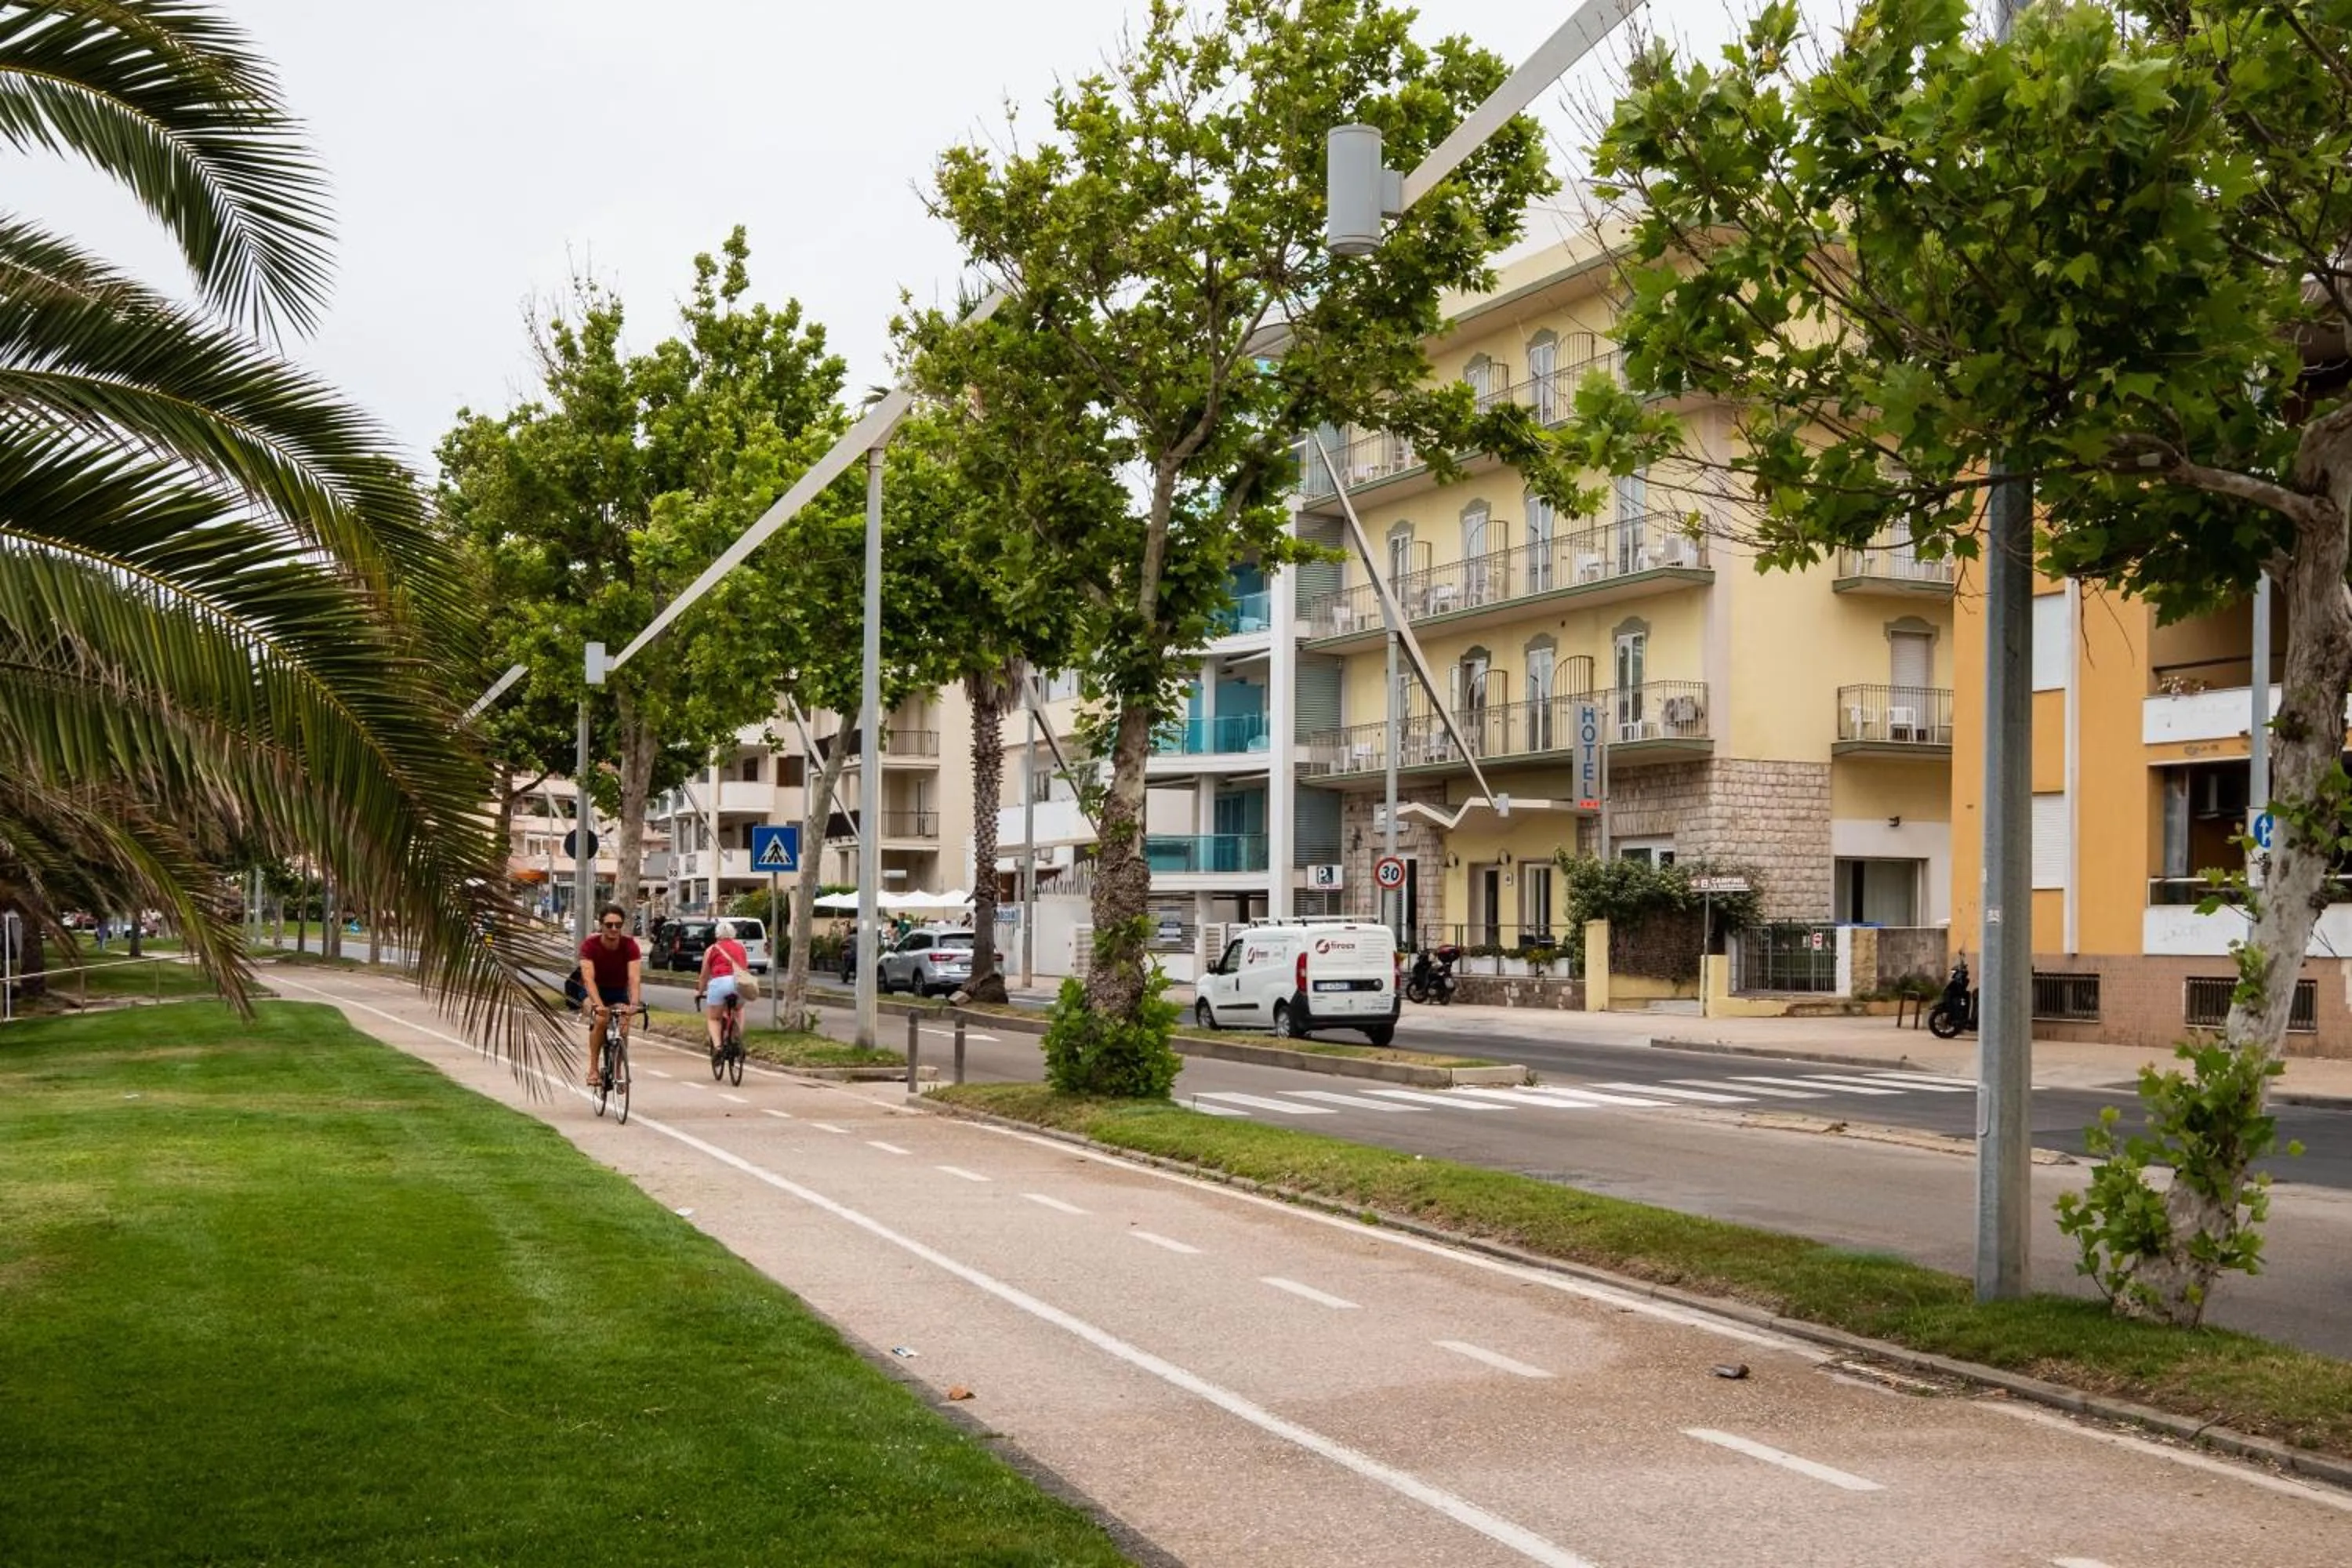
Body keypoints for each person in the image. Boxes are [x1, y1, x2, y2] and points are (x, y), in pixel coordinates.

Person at [576, 903, 643, 1089]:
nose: (614, 929)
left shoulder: (630, 945)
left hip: (618, 991)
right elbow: (588, 979)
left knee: (624, 1026)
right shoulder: (590, 945)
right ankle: (593, 1069)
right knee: (600, 1020)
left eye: (618, 925)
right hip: (593, 990)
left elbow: (634, 978)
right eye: (609, 925)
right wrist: (598, 1006)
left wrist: (634, 1005)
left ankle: (618, 1071)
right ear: (601, 925)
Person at [699, 918, 750, 1055]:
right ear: (734, 934)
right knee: (739, 1009)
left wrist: (700, 991)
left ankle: (718, 1048)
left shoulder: (711, 950)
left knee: (713, 1018)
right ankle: (737, 1039)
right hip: (740, 983)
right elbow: (745, 968)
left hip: (720, 983)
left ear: (717, 935)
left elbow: (704, 975)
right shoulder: (741, 948)